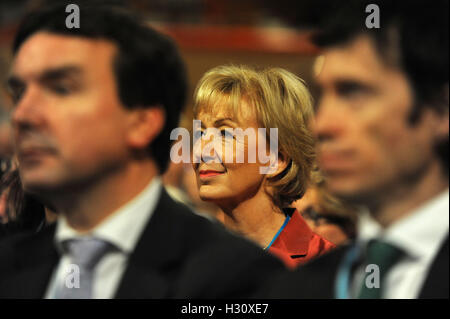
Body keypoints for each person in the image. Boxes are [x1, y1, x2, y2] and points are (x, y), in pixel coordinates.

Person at [0, 4, 283, 298]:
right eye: (19, 93)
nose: (22, 115)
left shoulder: (237, 279)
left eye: (61, 89)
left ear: (143, 121)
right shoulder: (8, 267)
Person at [265, 0, 448, 298]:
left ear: (441, 108)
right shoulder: (298, 287)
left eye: (353, 92)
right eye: (324, 95)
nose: (321, 126)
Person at [192, 65, 335, 269]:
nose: (200, 150)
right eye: (200, 133)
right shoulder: (186, 259)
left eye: (225, 134)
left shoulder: (322, 268)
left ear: (276, 159)